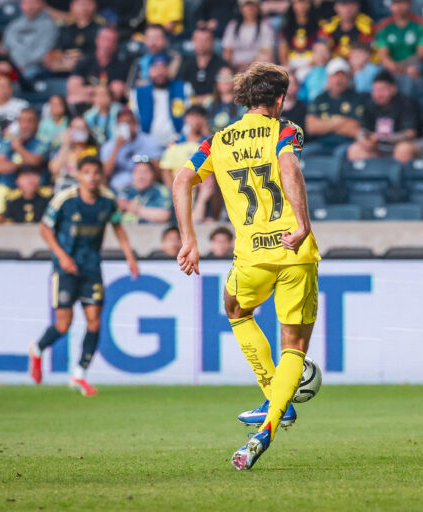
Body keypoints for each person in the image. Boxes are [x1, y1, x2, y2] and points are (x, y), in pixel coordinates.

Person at [173, 62, 320, 470]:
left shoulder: (216, 140)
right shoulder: (285, 130)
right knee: (295, 345)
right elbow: (288, 167)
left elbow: (181, 181)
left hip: (252, 254)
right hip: (294, 249)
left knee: (236, 310)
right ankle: (273, 420)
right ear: (279, 99)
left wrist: (189, 239)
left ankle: (274, 397)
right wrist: (303, 224)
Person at [28, 156, 139, 396]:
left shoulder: (108, 201)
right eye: (86, 172)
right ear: (78, 175)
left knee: (94, 321)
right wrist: (62, 256)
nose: (92, 177)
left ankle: (79, 374)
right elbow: (44, 228)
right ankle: (37, 349)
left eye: (96, 173)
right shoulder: (64, 200)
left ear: (101, 176)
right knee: (63, 324)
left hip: (91, 268)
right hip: (65, 269)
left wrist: (129, 256)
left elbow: (118, 227)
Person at [347, 70, 420, 163]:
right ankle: (371, 177)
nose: (378, 94)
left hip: (405, 143)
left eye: (382, 90)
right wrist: (364, 140)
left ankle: (398, 177)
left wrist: (384, 138)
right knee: (355, 150)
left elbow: (410, 134)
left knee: (403, 149)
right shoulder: (369, 104)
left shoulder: (407, 103)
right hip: (378, 146)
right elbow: (362, 130)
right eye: (375, 90)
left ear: (393, 89)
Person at [131, 54, 194, 149]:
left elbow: (190, 118)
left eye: (163, 68)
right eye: (156, 68)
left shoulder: (183, 89)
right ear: (150, 71)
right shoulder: (138, 93)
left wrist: (180, 138)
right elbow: (135, 120)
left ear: (168, 69)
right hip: (148, 144)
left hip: (177, 142)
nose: (160, 73)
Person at [304, 58, 364, 156]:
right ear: (328, 78)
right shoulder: (320, 98)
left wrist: (324, 125)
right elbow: (311, 127)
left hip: (347, 143)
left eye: (343, 75)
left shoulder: (357, 98)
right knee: (304, 153)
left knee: (340, 153)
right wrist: (341, 121)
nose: (339, 80)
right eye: (335, 75)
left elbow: (355, 128)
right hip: (321, 143)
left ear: (348, 78)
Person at [68, 27, 130, 107]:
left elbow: (116, 94)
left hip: (109, 109)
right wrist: (102, 93)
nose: (107, 44)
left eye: (112, 41)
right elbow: (73, 89)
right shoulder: (84, 62)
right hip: (83, 107)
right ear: (97, 40)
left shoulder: (121, 66)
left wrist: (88, 91)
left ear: (116, 45)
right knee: (72, 99)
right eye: (105, 39)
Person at [101, 108, 162, 189]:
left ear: (135, 124)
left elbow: (157, 171)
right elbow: (105, 172)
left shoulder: (149, 141)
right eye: (122, 124)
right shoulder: (109, 146)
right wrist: (116, 148)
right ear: (117, 126)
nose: (126, 127)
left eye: (129, 123)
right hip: (118, 189)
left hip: (145, 187)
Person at [375, 0, 423, 78]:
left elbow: (421, 54)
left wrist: (403, 66)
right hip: (392, 64)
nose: (399, 7)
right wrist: (393, 66)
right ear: (391, 6)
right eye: (396, 3)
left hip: (415, 63)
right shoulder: (384, 25)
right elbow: (383, 55)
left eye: (402, 2)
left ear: (410, 4)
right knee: (377, 72)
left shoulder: (422, 24)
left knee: (413, 70)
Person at [0, 108, 48, 188]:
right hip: (8, 189)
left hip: (34, 191)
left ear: (37, 124)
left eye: (30, 121)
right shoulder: (8, 142)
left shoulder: (42, 143)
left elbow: (34, 162)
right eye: (22, 121)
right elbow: (0, 166)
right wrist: (22, 164)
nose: (25, 125)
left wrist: (18, 148)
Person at [43, 0, 102, 73]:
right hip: (64, 69)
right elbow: (55, 51)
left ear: (95, 6)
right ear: (72, 6)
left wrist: (82, 60)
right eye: (80, 4)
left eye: (88, 3)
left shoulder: (102, 29)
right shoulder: (65, 28)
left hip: (90, 70)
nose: (84, 7)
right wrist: (64, 58)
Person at [3, 0, 59, 77]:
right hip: (13, 66)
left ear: (41, 4)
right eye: (26, 3)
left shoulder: (49, 26)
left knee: (28, 74)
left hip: (35, 67)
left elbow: (43, 51)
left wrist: (22, 64)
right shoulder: (13, 25)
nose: (30, 7)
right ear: (21, 5)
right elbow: (5, 48)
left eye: (33, 3)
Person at [177, 27, 230, 102]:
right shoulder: (186, 64)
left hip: (215, 107)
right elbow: (179, 88)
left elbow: (227, 91)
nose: (201, 44)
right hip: (191, 109)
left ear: (212, 42)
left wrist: (205, 99)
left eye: (205, 40)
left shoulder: (222, 65)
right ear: (193, 41)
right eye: (198, 40)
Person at [222, 0, 276, 71]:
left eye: (253, 5)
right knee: (224, 71)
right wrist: (234, 65)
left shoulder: (265, 26)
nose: (250, 8)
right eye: (247, 5)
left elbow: (268, 52)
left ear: (258, 8)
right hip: (235, 67)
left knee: (265, 59)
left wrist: (250, 66)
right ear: (241, 8)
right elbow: (227, 51)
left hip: (257, 68)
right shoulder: (233, 26)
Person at [49, 116, 100, 192]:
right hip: (62, 190)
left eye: (83, 128)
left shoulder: (94, 151)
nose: (80, 131)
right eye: (76, 128)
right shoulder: (62, 150)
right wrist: (65, 145)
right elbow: (55, 170)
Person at [117, 157, 172, 224]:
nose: (141, 176)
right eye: (138, 171)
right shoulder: (124, 191)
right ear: (133, 174)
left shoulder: (162, 191)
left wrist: (136, 209)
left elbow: (165, 215)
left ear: (153, 174)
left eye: (145, 172)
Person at [278, 0, 321, 80]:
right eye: (298, 2)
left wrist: (307, 67)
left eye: (304, 2)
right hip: (291, 63)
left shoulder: (318, 25)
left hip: (311, 62)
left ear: (310, 4)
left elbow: (320, 51)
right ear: (293, 5)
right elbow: (282, 52)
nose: (301, 6)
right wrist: (289, 67)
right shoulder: (286, 26)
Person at [130, 24, 182, 88]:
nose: (152, 43)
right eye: (149, 38)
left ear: (165, 40)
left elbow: (179, 86)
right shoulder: (140, 60)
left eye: (156, 38)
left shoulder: (174, 59)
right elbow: (129, 89)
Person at [207, 66, 242, 133]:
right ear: (217, 82)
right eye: (221, 78)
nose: (225, 82)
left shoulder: (242, 105)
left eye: (228, 78)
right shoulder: (209, 104)